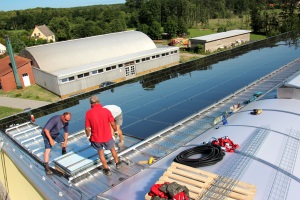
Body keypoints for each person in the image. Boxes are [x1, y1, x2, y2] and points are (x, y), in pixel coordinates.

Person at [85, 96, 122, 176]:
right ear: (99, 102)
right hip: (107, 137)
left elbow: (87, 128)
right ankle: (117, 163)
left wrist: (88, 136)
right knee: (113, 150)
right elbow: (112, 123)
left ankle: (107, 169)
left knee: (101, 154)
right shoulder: (106, 111)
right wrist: (115, 131)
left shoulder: (88, 113)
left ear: (91, 104)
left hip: (96, 139)